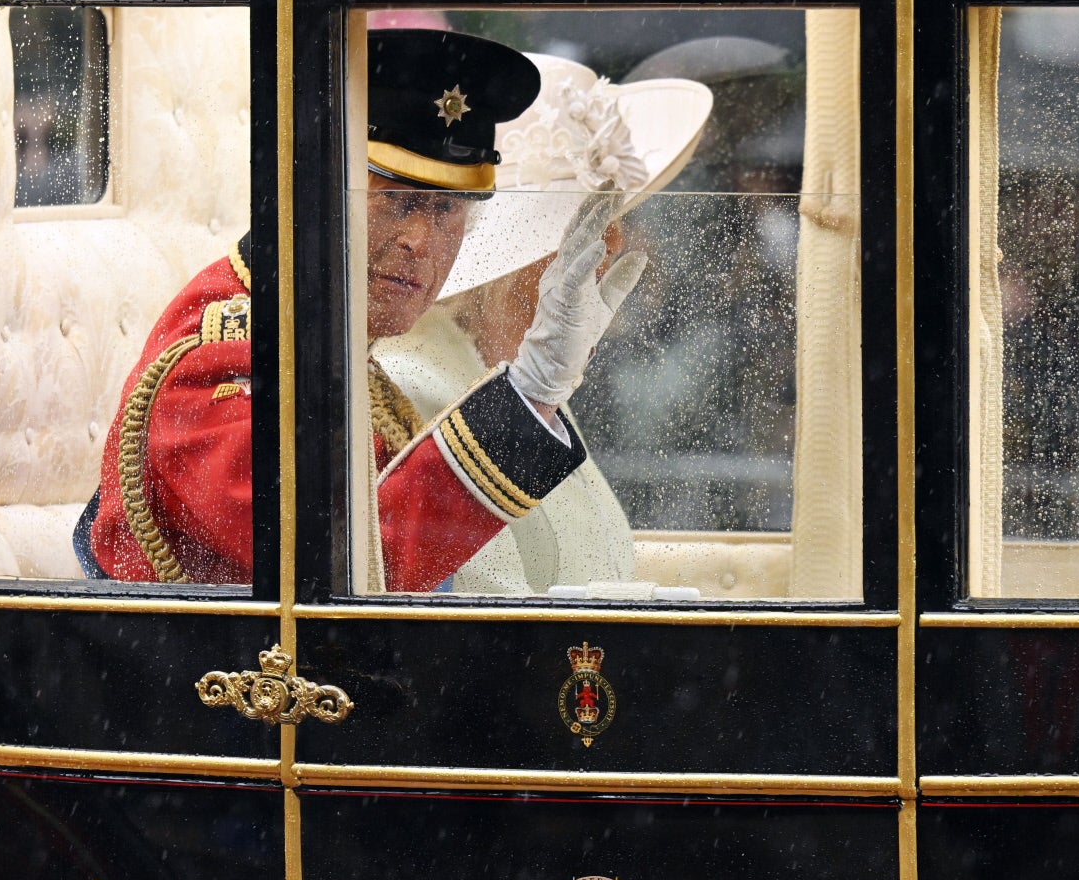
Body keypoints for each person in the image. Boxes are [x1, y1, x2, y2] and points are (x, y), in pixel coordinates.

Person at [77, 29, 650, 592]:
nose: (420, 240)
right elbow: (352, 562)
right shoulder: (218, 356)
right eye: (397, 201)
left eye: (448, 212)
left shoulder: (331, 333)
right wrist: (532, 393)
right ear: (315, 192)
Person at [373, 51, 712, 594]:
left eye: (617, 219)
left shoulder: (521, 374)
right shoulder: (415, 385)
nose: (619, 245)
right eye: (591, 225)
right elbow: (484, 619)